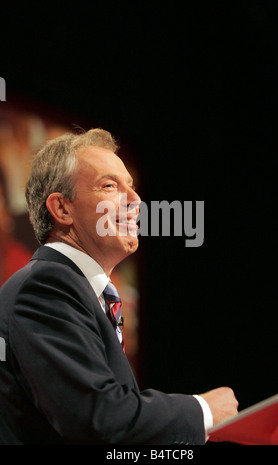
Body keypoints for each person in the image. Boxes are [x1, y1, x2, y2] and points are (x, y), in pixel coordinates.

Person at [0, 128, 238, 445]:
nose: (135, 200)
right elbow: (98, 418)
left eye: (132, 186)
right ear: (62, 209)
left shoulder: (85, 293)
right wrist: (202, 411)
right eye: (110, 186)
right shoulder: (46, 286)